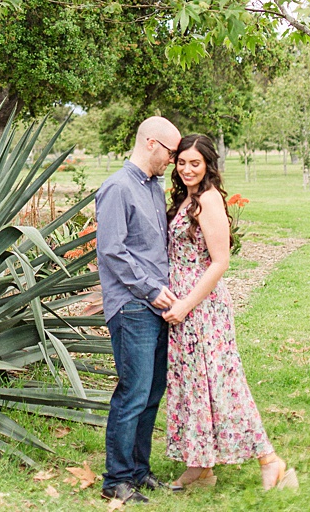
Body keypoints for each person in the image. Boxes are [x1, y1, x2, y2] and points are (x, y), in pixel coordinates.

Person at [161, 133, 297, 493]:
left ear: (208, 166)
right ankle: (200, 466)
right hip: (182, 309)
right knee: (193, 386)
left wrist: (186, 304)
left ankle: (271, 461)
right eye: (182, 162)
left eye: (195, 163)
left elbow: (220, 262)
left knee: (223, 384)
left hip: (203, 310)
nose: (187, 169)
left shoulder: (207, 201)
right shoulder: (184, 199)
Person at [93, 115, 183, 505]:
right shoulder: (117, 188)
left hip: (158, 305)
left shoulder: (154, 188)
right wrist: (150, 289)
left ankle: (139, 472)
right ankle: (116, 479)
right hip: (132, 305)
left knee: (152, 390)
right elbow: (112, 251)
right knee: (133, 391)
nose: (173, 160)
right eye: (171, 152)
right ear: (151, 144)